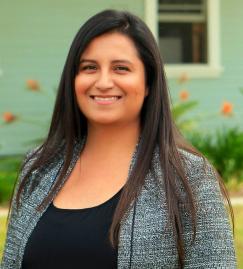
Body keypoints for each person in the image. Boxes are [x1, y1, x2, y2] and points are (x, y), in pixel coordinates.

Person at [0, 9, 236, 269]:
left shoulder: (188, 177)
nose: (103, 82)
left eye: (121, 68)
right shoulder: (38, 169)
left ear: (148, 83)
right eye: (89, 67)